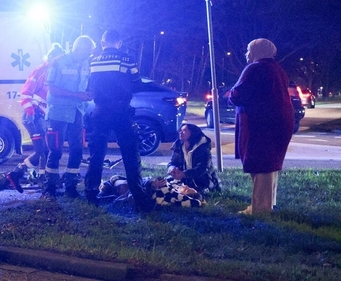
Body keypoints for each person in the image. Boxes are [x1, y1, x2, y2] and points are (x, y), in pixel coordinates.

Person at [83, 30, 153, 211]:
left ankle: (90, 194)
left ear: (102, 42)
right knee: (130, 153)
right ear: (119, 43)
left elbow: (89, 85)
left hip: (100, 112)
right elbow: (137, 82)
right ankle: (139, 197)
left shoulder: (94, 61)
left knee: (97, 154)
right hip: (121, 111)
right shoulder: (127, 59)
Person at [225, 38, 293, 215]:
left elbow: (238, 95)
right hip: (277, 123)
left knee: (260, 164)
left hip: (259, 125)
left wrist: (231, 93)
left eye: (249, 49)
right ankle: (268, 205)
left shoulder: (255, 69)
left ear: (258, 50)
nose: (247, 54)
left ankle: (260, 209)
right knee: (270, 164)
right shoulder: (278, 70)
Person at [43, 35, 95, 198]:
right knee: (55, 150)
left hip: (77, 112)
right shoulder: (58, 62)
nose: (89, 56)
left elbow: (84, 85)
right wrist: (77, 95)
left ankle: (70, 187)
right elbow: (51, 88)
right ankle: (49, 187)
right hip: (58, 112)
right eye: (88, 52)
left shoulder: (86, 63)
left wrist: (88, 94)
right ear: (78, 48)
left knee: (77, 149)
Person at [14, 43, 65, 183]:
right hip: (34, 116)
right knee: (41, 151)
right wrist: (30, 111)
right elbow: (26, 93)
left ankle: (43, 178)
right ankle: (16, 173)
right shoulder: (41, 70)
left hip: (41, 116)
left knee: (46, 151)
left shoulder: (53, 72)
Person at [167, 123, 221, 195]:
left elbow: (203, 168)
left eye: (184, 130)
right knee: (163, 184)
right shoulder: (178, 146)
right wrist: (172, 168)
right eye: (180, 130)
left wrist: (184, 174)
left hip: (203, 180)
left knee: (193, 193)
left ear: (192, 133)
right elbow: (172, 162)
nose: (180, 132)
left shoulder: (203, 148)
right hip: (184, 179)